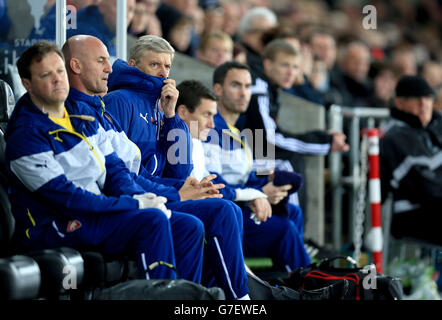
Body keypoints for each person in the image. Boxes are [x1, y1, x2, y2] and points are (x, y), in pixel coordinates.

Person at [4, 40, 205, 283]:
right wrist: (134, 205)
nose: (58, 79)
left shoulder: (81, 118)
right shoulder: (26, 134)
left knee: (188, 227)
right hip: (56, 225)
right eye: (47, 75)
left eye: (59, 71)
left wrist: (143, 198)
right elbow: (69, 198)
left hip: (95, 213)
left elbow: (116, 170)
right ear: (27, 84)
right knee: (152, 221)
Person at [104, 35, 251, 300]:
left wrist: (172, 117)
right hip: (142, 197)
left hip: (162, 190)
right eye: (154, 65)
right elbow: (123, 173)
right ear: (133, 64)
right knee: (220, 211)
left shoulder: (162, 106)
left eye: (167, 66)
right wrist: (177, 193)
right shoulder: (118, 101)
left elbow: (180, 170)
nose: (163, 73)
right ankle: (238, 299)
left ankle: (201, 295)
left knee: (228, 208)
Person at [175, 65, 311, 271]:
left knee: (292, 212)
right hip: (229, 207)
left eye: (248, 86)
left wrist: (266, 185)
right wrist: (257, 193)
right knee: (284, 229)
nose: (243, 93)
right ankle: (306, 283)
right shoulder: (207, 128)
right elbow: (213, 178)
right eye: (236, 85)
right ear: (218, 90)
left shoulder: (240, 129)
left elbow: (243, 176)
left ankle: (288, 278)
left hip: (241, 201)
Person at [238, 39, 349, 213]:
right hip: (239, 155)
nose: (291, 72)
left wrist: (324, 140)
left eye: (296, 67)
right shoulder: (258, 90)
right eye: (284, 65)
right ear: (267, 64)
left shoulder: (269, 88)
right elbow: (269, 138)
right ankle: (296, 230)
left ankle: (295, 230)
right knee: (287, 164)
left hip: (253, 151)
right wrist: (324, 142)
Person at [380, 75, 442, 245]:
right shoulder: (394, 136)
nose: (424, 105)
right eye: (416, 99)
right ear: (399, 103)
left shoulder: (433, 126)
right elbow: (425, 186)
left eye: (428, 98)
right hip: (413, 214)